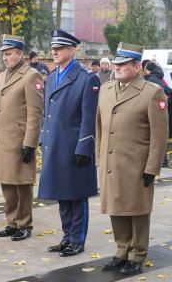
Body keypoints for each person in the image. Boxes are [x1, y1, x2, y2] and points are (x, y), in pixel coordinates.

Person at [97, 42, 168, 274]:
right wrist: (100, 156)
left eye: (123, 64)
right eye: (116, 64)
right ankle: (122, 249)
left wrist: (152, 168)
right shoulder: (107, 89)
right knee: (116, 208)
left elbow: (159, 135)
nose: (117, 68)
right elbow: (99, 125)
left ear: (137, 66)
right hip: (111, 162)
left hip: (137, 164)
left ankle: (137, 253)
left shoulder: (151, 92)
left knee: (137, 210)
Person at [38, 29, 100, 257]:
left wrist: (84, 146)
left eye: (59, 48)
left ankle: (78, 239)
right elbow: (48, 113)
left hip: (74, 146)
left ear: (72, 51)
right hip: (55, 143)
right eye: (53, 48)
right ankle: (66, 237)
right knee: (62, 194)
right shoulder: (52, 76)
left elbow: (89, 116)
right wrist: (43, 138)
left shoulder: (87, 78)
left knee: (76, 194)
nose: (54, 52)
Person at [0, 35, 44, 241]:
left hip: (20, 140)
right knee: (7, 183)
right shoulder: (3, 76)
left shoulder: (31, 76)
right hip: (4, 139)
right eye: (3, 54)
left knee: (22, 184)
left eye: (9, 53)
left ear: (21, 54)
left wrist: (30, 143)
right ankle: (12, 222)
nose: (5, 57)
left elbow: (35, 113)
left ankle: (24, 223)